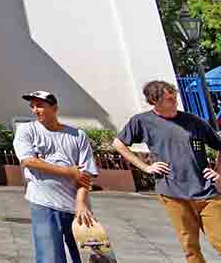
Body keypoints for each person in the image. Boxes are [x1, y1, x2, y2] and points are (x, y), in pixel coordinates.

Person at [113, 79, 221, 262]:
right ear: (153, 102)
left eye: (175, 97)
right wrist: (146, 167)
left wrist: (219, 173)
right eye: (170, 99)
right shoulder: (142, 121)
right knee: (190, 247)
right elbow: (118, 144)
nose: (175, 102)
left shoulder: (193, 121)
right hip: (173, 193)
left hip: (207, 193)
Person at [12, 91, 97, 263]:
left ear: (55, 108)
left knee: (80, 257)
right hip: (45, 204)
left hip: (77, 209)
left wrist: (81, 203)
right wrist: (69, 172)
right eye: (33, 106)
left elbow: (86, 173)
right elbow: (28, 161)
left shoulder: (78, 135)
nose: (36, 110)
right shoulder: (27, 130)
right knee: (49, 257)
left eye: (40, 105)